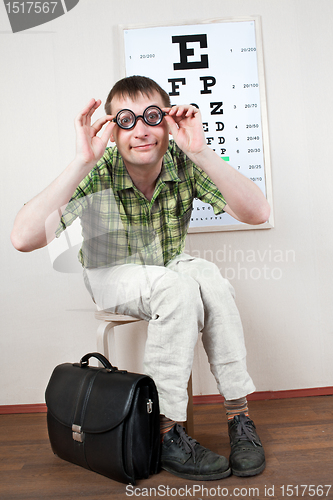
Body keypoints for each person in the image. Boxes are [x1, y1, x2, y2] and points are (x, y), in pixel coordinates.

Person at [11, 75, 270, 481]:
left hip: (167, 264)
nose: (142, 130)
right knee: (175, 285)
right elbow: (22, 238)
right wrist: (82, 161)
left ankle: (239, 417)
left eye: (152, 116)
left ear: (167, 120)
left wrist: (203, 154)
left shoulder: (182, 161)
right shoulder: (98, 171)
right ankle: (165, 432)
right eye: (127, 120)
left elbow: (257, 213)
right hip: (109, 272)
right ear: (112, 130)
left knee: (210, 280)